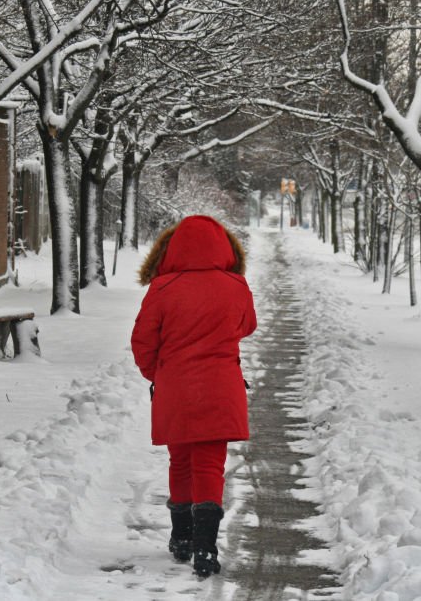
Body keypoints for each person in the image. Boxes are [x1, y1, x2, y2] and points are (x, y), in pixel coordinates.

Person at [130, 215, 257, 578]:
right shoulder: (236, 285)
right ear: (224, 248)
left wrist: (160, 374)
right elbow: (248, 325)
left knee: (181, 461)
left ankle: (181, 538)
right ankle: (206, 547)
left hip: (176, 388)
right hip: (220, 386)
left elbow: (142, 342)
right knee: (209, 465)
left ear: (172, 249)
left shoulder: (162, 288)